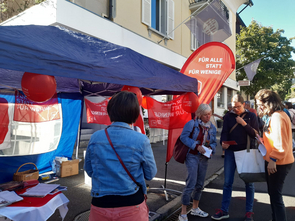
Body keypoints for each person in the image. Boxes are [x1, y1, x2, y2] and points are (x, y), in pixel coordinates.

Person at [84, 91, 157, 221]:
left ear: (111, 111)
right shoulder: (141, 140)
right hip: (131, 204)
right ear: (134, 113)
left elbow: (89, 171)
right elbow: (150, 174)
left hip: (100, 204)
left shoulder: (96, 137)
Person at [211, 94, 259, 221]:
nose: (235, 109)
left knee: (249, 183)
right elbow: (225, 132)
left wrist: (243, 123)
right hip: (231, 152)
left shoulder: (251, 116)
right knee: (227, 182)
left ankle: (249, 212)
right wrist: (223, 142)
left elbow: (255, 134)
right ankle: (224, 210)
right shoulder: (228, 116)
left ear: (244, 105)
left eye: (238, 107)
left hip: (246, 152)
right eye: (233, 107)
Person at [255, 90, 294, 221]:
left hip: (278, 161)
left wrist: (273, 159)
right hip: (278, 160)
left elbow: (280, 142)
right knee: (274, 195)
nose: (259, 107)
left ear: (269, 103)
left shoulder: (277, 116)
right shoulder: (278, 114)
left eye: (261, 104)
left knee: (276, 197)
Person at [178, 104, 217, 221]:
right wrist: (196, 146)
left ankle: (195, 208)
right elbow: (183, 137)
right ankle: (183, 212)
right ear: (199, 114)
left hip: (204, 157)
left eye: (209, 114)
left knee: (200, 184)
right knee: (191, 183)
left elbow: (214, 143)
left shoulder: (212, 127)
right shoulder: (192, 124)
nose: (208, 116)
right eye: (205, 114)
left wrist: (211, 150)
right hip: (192, 156)